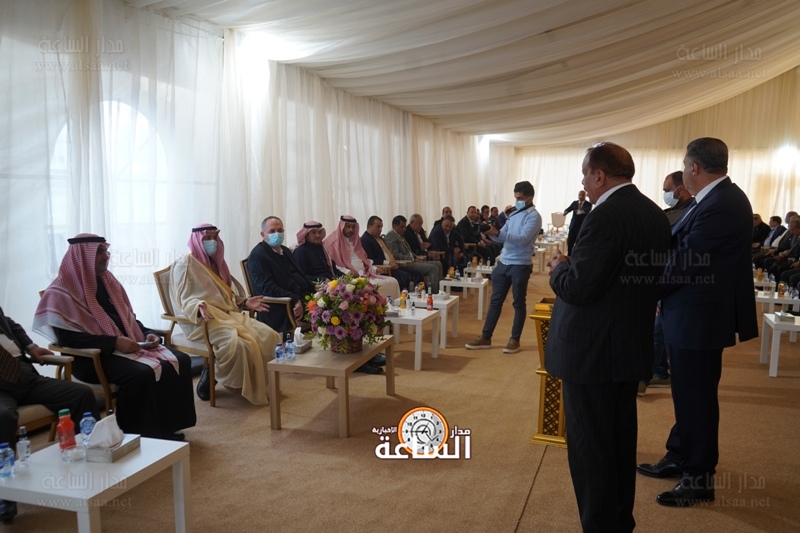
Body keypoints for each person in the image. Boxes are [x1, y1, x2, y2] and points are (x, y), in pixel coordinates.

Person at [544, 143, 671, 531]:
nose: (583, 182)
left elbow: (579, 288)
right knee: (618, 445)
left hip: (591, 353)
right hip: (627, 346)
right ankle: (619, 522)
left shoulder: (604, 216)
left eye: (585, 174)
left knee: (590, 452)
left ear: (600, 176)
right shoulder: (653, 213)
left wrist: (558, 268)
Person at [637, 137, 758, 508]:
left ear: (693, 167)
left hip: (700, 317)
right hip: (689, 311)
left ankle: (698, 476)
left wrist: (645, 292)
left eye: (683, 165)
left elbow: (686, 261)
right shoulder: (713, 199)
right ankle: (679, 454)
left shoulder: (722, 203)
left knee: (697, 397)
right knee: (686, 392)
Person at [34, 235, 196, 440]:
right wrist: (113, 343)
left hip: (123, 347)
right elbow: (68, 341)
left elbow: (127, 319)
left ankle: (166, 427)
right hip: (90, 358)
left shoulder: (108, 282)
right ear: (82, 256)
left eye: (105, 250)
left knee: (180, 360)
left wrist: (148, 333)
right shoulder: (60, 293)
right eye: (99, 252)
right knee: (141, 373)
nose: (106, 256)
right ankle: (136, 435)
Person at [0, 306, 98, 523]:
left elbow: (11, 325)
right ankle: (4, 494)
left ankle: (94, 460)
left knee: (81, 394)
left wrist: (31, 346)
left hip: (23, 374)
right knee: (3, 417)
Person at [170, 224, 280, 405]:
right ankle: (215, 375)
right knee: (239, 344)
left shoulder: (215, 263)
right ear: (197, 240)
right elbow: (182, 299)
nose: (212, 242)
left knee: (269, 335)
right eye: (207, 238)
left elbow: (225, 295)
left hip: (226, 315)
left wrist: (244, 302)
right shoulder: (185, 264)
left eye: (215, 237)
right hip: (201, 320)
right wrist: (198, 306)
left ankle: (256, 383)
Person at [465, 181, 542, 354]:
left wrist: (498, 233)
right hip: (504, 261)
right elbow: (502, 237)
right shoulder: (514, 214)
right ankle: (486, 337)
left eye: (520, 198)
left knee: (518, 302)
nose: (517, 201)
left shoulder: (534, 217)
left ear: (530, 198)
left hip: (520, 264)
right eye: (516, 198)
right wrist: (491, 232)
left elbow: (522, 239)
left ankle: (515, 339)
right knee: (495, 302)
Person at [642, 170, 696, 393]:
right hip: (662, 277)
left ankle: (645, 377)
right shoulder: (672, 211)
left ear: (680, 189)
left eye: (667, 190)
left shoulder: (691, 211)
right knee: (658, 330)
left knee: (657, 331)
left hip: (672, 281)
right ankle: (661, 371)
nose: (665, 194)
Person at [247, 216, 316, 335]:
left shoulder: (285, 250)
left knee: (334, 306)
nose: (277, 234)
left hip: (302, 297)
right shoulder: (258, 256)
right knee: (327, 315)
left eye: (280, 230)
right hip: (281, 306)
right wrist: (294, 299)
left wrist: (316, 290)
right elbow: (268, 288)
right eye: (272, 231)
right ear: (263, 234)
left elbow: (299, 275)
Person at [323, 215, 400, 300]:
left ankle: (390, 306)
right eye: (348, 227)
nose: (351, 230)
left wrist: (375, 269)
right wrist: (348, 272)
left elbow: (364, 260)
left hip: (364, 274)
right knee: (372, 287)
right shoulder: (332, 242)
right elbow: (333, 265)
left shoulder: (355, 240)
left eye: (353, 227)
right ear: (342, 226)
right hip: (348, 278)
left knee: (392, 281)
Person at [360, 216, 424, 290]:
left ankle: (421, 295)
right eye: (378, 227)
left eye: (381, 227)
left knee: (417, 274)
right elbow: (370, 260)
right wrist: (388, 263)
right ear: (369, 227)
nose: (380, 229)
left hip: (391, 265)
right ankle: (403, 296)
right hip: (383, 269)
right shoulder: (365, 240)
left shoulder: (379, 238)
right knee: (405, 276)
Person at [384, 215, 441, 292]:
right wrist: (412, 259)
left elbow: (410, 251)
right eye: (402, 227)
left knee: (438, 263)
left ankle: (439, 290)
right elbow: (395, 255)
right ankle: (433, 294)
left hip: (412, 260)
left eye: (405, 227)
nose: (404, 229)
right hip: (406, 263)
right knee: (433, 269)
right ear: (394, 226)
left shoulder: (400, 236)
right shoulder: (391, 236)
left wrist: (416, 257)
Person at [562, 190, 593, 254]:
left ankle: (577, 256)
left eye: (582, 195)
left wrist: (579, 211)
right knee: (570, 243)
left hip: (581, 227)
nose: (581, 196)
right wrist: (566, 212)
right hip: (573, 226)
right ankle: (569, 256)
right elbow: (569, 208)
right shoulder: (575, 203)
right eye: (579, 195)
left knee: (579, 243)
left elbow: (585, 211)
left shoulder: (588, 204)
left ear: (585, 196)